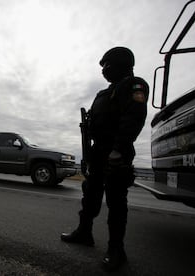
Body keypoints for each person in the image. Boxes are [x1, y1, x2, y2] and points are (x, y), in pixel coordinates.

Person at [60, 47, 149, 271]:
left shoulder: (133, 85)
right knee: (90, 194)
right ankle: (84, 232)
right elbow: (94, 125)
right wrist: (88, 153)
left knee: (116, 202)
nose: (103, 71)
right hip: (98, 152)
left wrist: (118, 150)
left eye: (106, 65)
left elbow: (134, 118)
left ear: (121, 64)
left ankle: (116, 249)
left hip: (117, 152)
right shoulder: (103, 94)